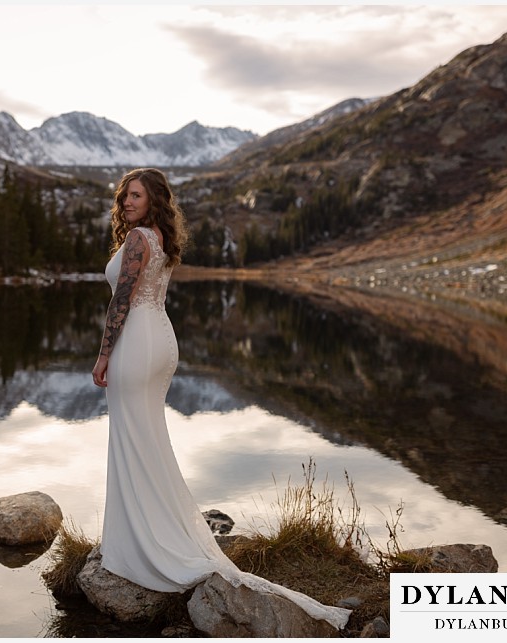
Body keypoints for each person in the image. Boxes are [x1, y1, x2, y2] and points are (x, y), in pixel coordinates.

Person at [91, 168, 351, 631]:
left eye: (135, 195)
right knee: (147, 440)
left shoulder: (136, 241)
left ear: (153, 200)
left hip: (136, 344)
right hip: (161, 342)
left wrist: (102, 355)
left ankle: (141, 545)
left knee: (132, 439)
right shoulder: (159, 238)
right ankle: (149, 531)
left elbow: (121, 303)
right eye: (124, 195)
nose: (126, 201)